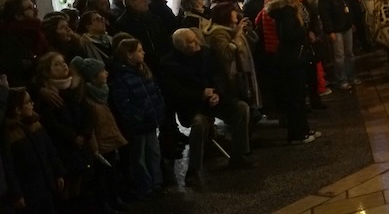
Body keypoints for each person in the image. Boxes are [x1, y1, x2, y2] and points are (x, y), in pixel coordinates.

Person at [160, 28, 253, 187]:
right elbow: (175, 93)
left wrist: (217, 94)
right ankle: (193, 169)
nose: (197, 42)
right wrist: (200, 95)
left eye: (196, 38)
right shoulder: (169, 64)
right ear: (182, 47)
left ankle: (239, 155)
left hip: (214, 100)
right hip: (193, 106)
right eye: (192, 42)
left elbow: (219, 76)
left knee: (241, 108)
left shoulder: (207, 53)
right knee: (199, 123)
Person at [33, 51, 94, 205]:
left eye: (63, 62)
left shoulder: (75, 87)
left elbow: (87, 114)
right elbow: (52, 124)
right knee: (66, 187)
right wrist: (73, 137)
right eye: (57, 64)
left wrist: (84, 134)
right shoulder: (49, 96)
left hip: (80, 142)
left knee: (80, 182)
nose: (63, 66)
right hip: (63, 147)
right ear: (48, 72)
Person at [265, 0, 320, 144]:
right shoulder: (285, 11)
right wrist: (303, 30)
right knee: (295, 97)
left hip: (294, 57)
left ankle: (304, 129)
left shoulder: (288, 9)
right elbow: (287, 34)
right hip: (291, 58)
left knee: (300, 96)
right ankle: (297, 134)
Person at [109, 38, 165, 199]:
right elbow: (123, 102)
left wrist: (158, 109)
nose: (143, 53)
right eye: (139, 51)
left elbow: (154, 91)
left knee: (153, 153)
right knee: (139, 157)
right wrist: (137, 116)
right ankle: (145, 186)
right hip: (138, 124)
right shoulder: (122, 76)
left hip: (150, 121)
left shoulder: (143, 70)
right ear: (129, 54)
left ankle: (156, 183)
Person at [69, 56, 127, 212]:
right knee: (101, 177)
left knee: (112, 173)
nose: (106, 73)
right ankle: (104, 204)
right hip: (99, 143)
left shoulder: (102, 93)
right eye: (102, 71)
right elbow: (91, 125)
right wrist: (94, 147)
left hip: (109, 139)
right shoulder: (88, 99)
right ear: (93, 77)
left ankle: (114, 198)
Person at [4, 87, 65, 214]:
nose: (32, 104)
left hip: (46, 183)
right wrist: (17, 193)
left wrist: (58, 172)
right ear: (17, 110)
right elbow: (9, 167)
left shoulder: (36, 124)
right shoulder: (9, 135)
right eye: (28, 102)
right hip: (29, 190)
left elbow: (50, 150)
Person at [205, 3, 261, 113]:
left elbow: (252, 44)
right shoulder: (217, 34)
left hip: (242, 73)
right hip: (231, 76)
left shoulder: (233, 28)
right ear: (225, 14)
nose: (236, 13)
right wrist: (238, 34)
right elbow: (227, 54)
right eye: (233, 11)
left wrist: (247, 31)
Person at [319, 0, 359, 90]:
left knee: (349, 53)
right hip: (336, 29)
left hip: (346, 26)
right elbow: (325, 14)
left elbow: (348, 8)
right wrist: (330, 31)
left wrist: (351, 22)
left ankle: (351, 76)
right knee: (339, 55)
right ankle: (342, 79)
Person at [0, 0, 49, 86]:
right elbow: (15, 68)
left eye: (34, 6)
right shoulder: (9, 36)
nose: (36, 10)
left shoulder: (36, 31)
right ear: (18, 16)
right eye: (30, 8)